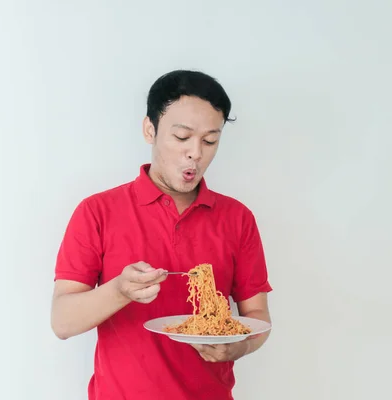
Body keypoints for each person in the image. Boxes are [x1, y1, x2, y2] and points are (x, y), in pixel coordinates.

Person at [51, 69, 273, 400]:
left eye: (210, 140)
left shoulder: (238, 219)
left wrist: (238, 347)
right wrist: (120, 290)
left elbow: (257, 317)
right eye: (182, 137)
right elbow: (62, 322)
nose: (196, 153)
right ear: (149, 129)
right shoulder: (97, 211)